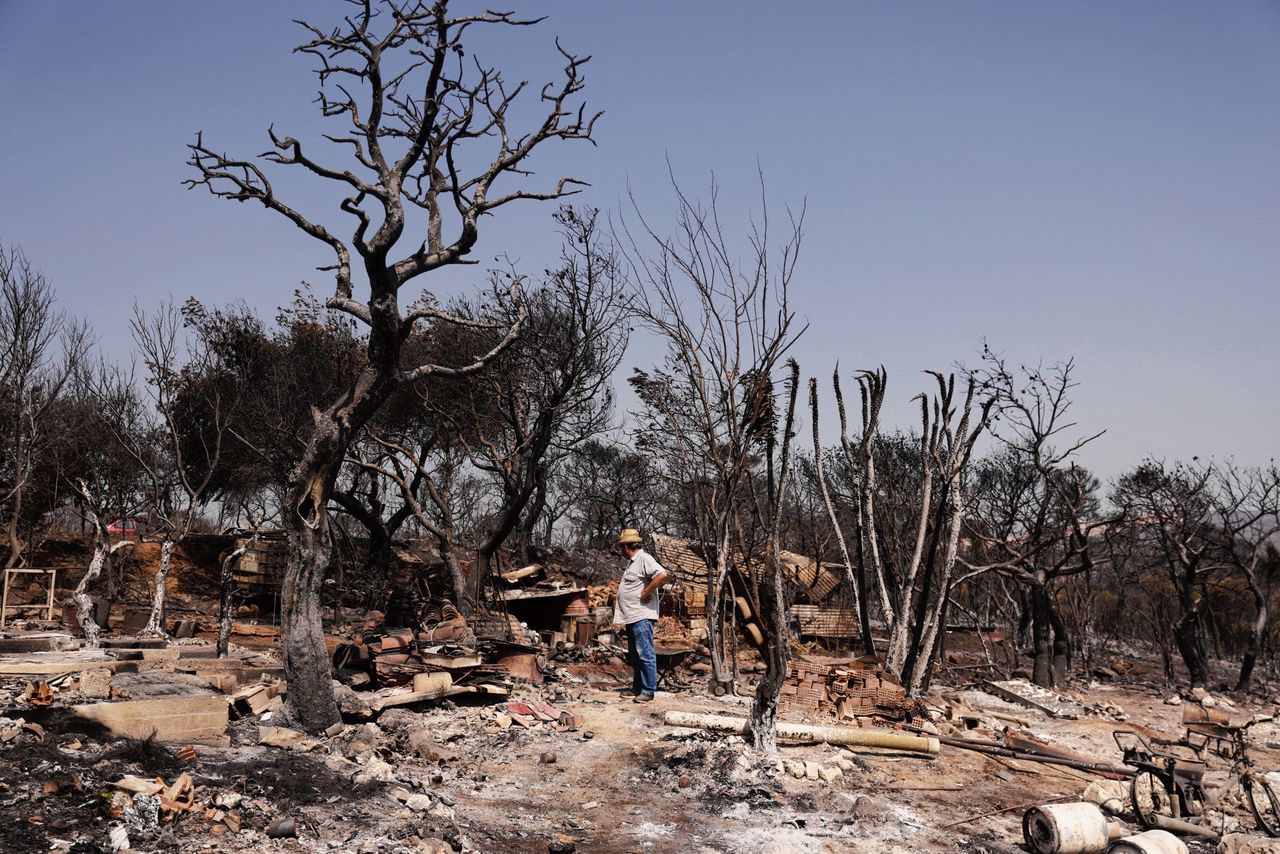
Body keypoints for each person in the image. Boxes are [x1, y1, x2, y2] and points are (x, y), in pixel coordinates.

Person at [612, 528, 669, 702]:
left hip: (641, 616)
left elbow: (662, 574)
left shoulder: (644, 558)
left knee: (645, 653)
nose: (621, 551)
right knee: (635, 655)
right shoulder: (632, 562)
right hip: (632, 616)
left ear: (627, 546)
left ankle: (648, 690)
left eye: (622, 547)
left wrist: (647, 591)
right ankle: (637, 688)